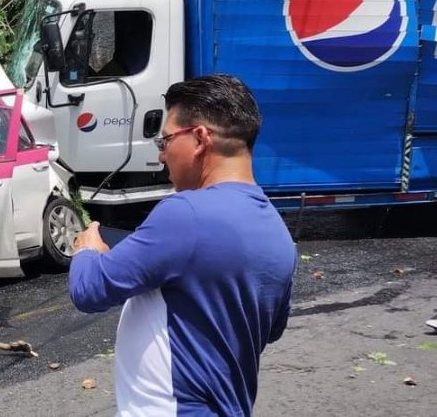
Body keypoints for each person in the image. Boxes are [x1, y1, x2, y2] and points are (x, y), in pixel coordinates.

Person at [68, 74, 296, 417]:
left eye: (165, 140)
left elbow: (89, 290)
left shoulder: (184, 213)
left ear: (200, 138)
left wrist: (87, 248)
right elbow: (269, 329)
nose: (162, 156)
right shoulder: (278, 234)